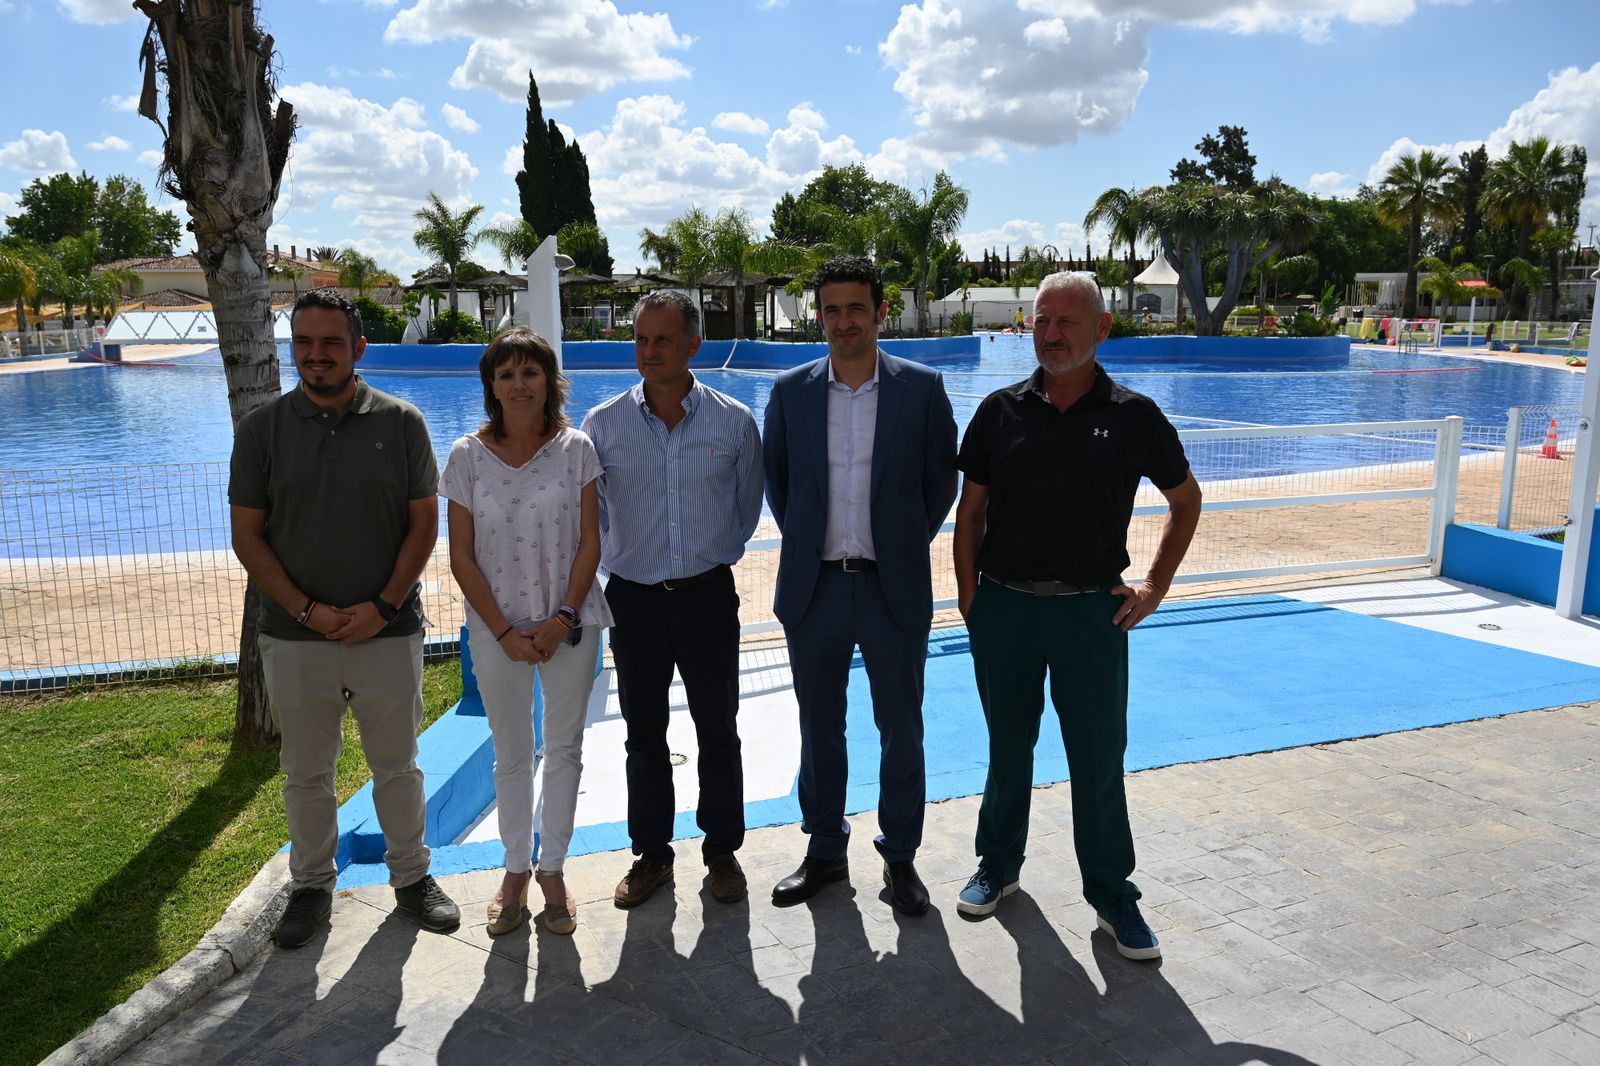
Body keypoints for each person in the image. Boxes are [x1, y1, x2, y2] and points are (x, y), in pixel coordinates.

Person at [951, 271, 1201, 960]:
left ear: (1101, 329)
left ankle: (1113, 893)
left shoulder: (1134, 415)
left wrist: (1153, 585)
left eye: (1066, 322)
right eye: (1042, 321)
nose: (1052, 334)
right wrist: (970, 597)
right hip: (1003, 608)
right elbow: (970, 512)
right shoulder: (1000, 411)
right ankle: (998, 866)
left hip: (1092, 614)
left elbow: (1187, 500)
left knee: (1097, 759)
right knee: (1008, 749)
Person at [228, 289, 460, 948]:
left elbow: (423, 525)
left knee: (398, 766)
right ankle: (311, 886)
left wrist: (382, 605)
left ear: (358, 349)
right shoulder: (262, 431)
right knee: (306, 771)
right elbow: (249, 537)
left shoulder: (403, 423)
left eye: (331, 343)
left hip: (388, 632)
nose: (316, 355)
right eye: (304, 342)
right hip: (294, 637)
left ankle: (413, 879)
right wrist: (306, 609)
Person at [763, 255, 958, 916]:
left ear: (881, 311)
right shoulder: (790, 392)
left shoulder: (922, 389)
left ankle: (900, 857)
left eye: (855, 308)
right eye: (832, 310)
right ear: (820, 317)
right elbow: (781, 486)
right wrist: (818, 544)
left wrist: (900, 544)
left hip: (891, 589)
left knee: (901, 728)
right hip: (814, 589)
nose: (843, 321)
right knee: (820, 727)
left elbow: (940, 485)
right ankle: (823, 850)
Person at [581, 290, 763, 908]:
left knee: (719, 728)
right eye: (640, 339)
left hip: (708, 596)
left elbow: (745, 511)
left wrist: (706, 555)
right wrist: (628, 560)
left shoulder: (734, 422)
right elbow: (595, 518)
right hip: (633, 600)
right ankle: (653, 854)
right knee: (643, 733)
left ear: (693, 344)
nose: (649, 351)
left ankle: (722, 853)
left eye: (663, 339)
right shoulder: (602, 426)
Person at [442, 327, 611, 937]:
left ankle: (554, 871)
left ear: (549, 382)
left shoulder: (577, 449)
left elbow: (591, 539)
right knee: (511, 753)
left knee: (564, 748)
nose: (519, 385)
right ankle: (515, 868)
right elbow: (461, 554)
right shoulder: (465, 456)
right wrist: (504, 630)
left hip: (570, 622)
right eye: (507, 374)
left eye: (530, 373)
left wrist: (562, 616)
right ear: (491, 384)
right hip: (496, 630)